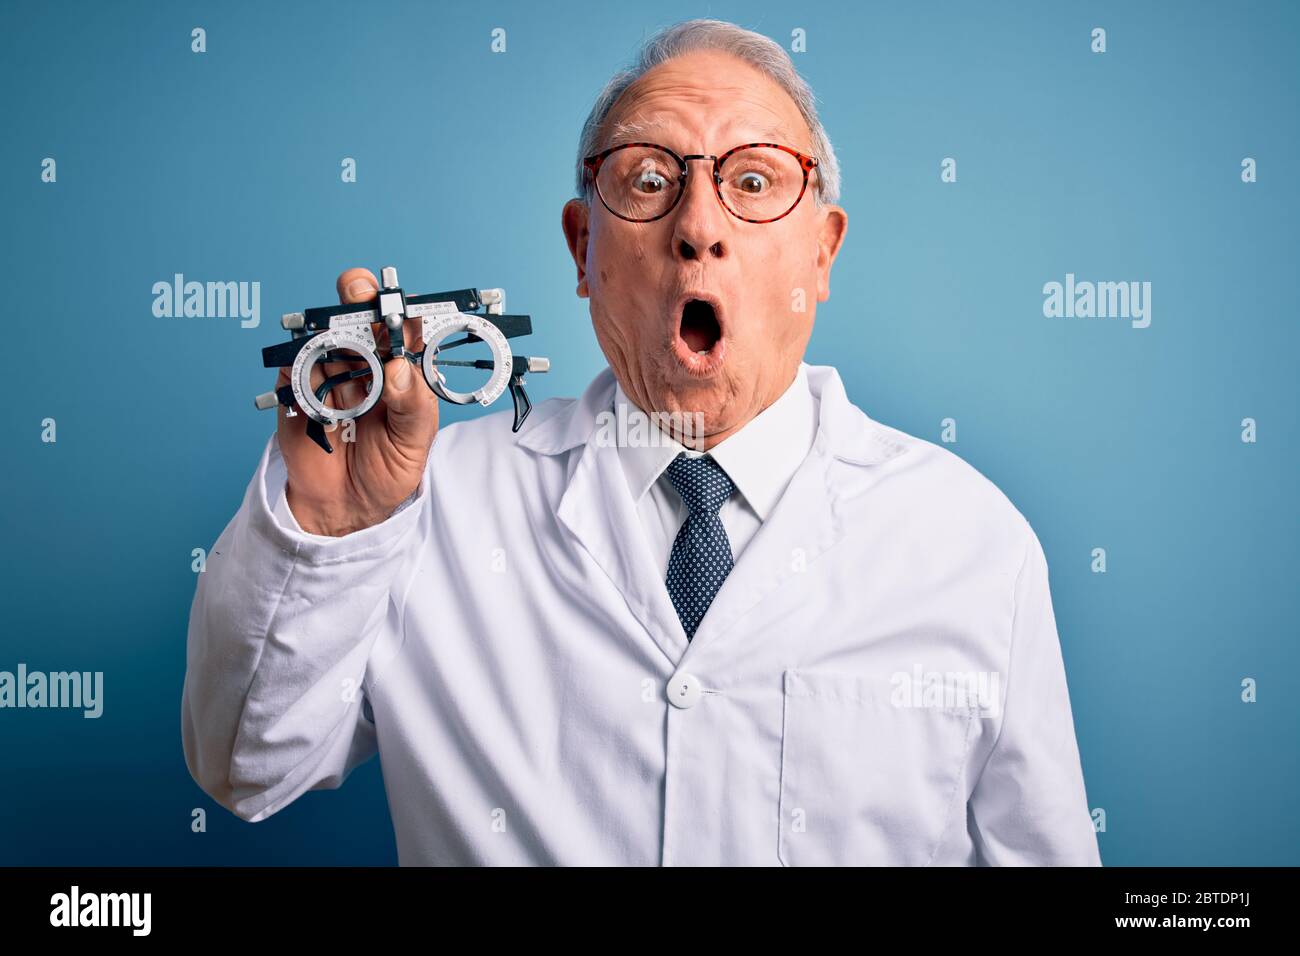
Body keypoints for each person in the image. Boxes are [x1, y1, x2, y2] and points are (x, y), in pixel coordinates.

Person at [182, 18, 1101, 866]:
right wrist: (329, 529)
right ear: (584, 249)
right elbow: (246, 768)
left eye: (752, 181)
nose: (699, 228)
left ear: (822, 254)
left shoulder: (970, 542)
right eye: (650, 182)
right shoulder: (429, 509)